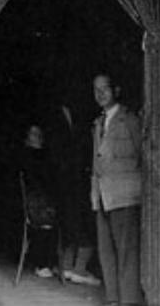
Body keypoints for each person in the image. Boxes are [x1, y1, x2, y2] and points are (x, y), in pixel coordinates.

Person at [90, 73, 143, 306]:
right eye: (96, 90)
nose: (100, 94)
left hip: (125, 195)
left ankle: (128, 301)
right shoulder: (98, 123)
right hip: (102, 196)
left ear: (116, 90)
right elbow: (96, 163)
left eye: (105, 89)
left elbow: (144, 155)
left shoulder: (130, 120)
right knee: (106, 251)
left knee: (127, 253)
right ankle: (113, 299)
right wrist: (93, 195)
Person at [51, 101, 100, 285]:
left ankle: (68, 267)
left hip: (67, 183)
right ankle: (78, 269)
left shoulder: (65, 118)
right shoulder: (74, 122)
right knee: (82, 224)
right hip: (74, 182)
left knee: (72, 224)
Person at [20, 123, 60, 278]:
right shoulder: (29, 155)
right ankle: (42, 263)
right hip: (35, 203)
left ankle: (55, 263)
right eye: (33, 134)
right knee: (45, 223)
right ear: (27, 137)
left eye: (39, 134)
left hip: (44, 200)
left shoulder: (44, 154)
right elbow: (37, 182)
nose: (37, 137)